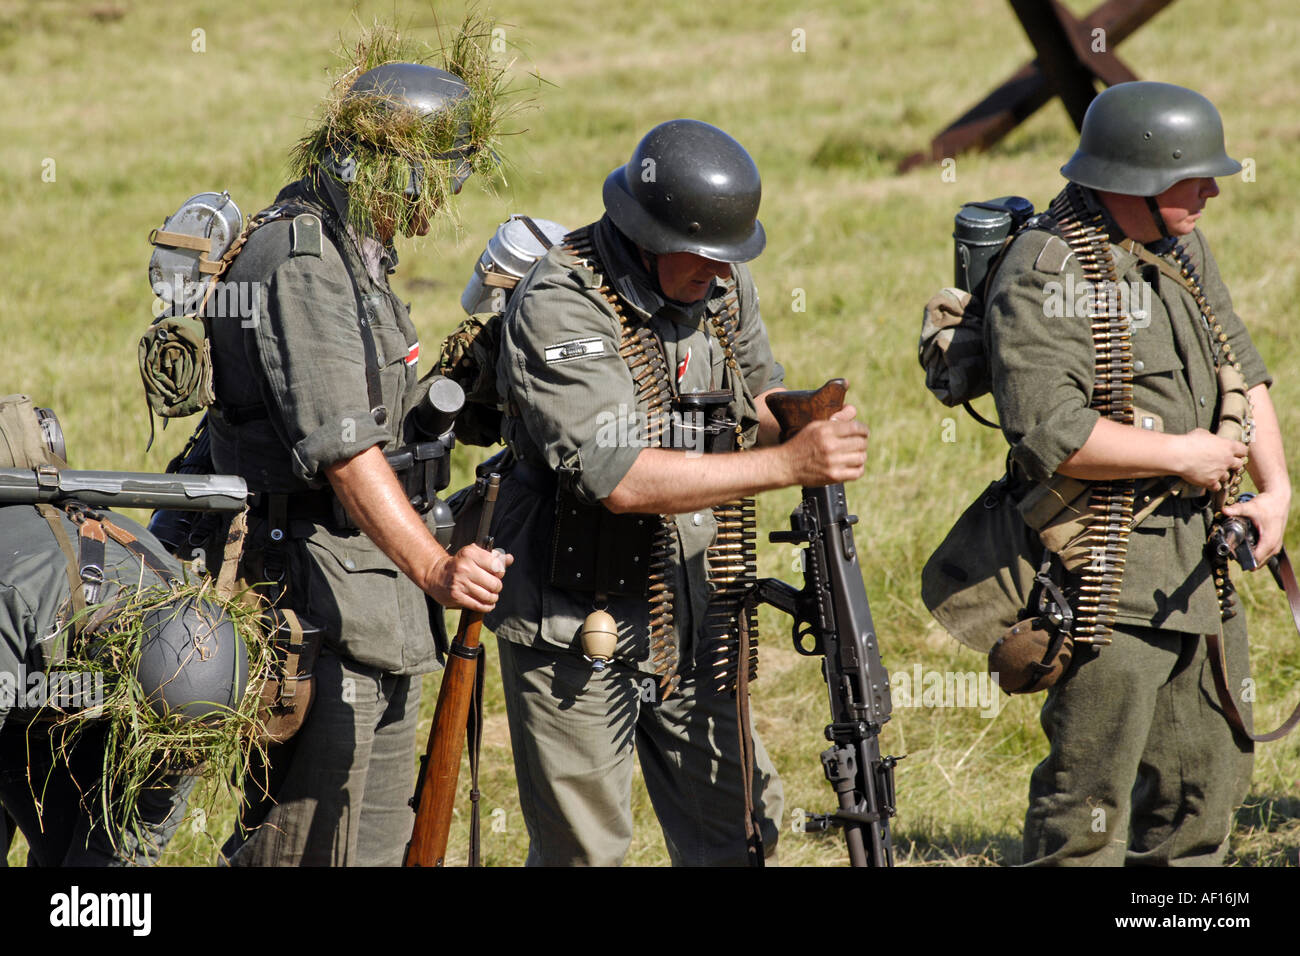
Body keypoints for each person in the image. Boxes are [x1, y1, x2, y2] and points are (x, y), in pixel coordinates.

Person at [488, 119, 869, 865]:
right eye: (705, 258)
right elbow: (620, 477)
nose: (721, 277)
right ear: (645, 234)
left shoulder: (718, 281)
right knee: (586, 851)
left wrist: (805, 416)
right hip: (581, 620)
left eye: (733, 260)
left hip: (698, 604)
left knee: (742, 830)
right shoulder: (562, 302)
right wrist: (791, 465)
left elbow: (757, 399)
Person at [209, 50, 513, 866]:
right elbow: (345, 450)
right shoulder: (305, 263)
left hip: (375, 592)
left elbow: (389, 414)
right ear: (391, 171)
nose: (443, 201)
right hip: (317, 604)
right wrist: (440, 572)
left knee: (375, 844)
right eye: (436, 179)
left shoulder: (356, 252)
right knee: (307, 846)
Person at [984, 81, 1289, 865]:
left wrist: (1279, 491)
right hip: (1106, 572)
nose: (1215, 190)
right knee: (1087, 803)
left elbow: (1242, 369)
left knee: (1207, 789)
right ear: (1137, 182)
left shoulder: (1179, 243)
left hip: (1203, 566)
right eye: (1197, 177)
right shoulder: (1045, 270)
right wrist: (1184, 454)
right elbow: (1053, 431)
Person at [0, 502, 217, 866]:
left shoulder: (205, 681)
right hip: (24, 646)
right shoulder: (17, 608)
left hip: (75, 688)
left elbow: (133, 838)